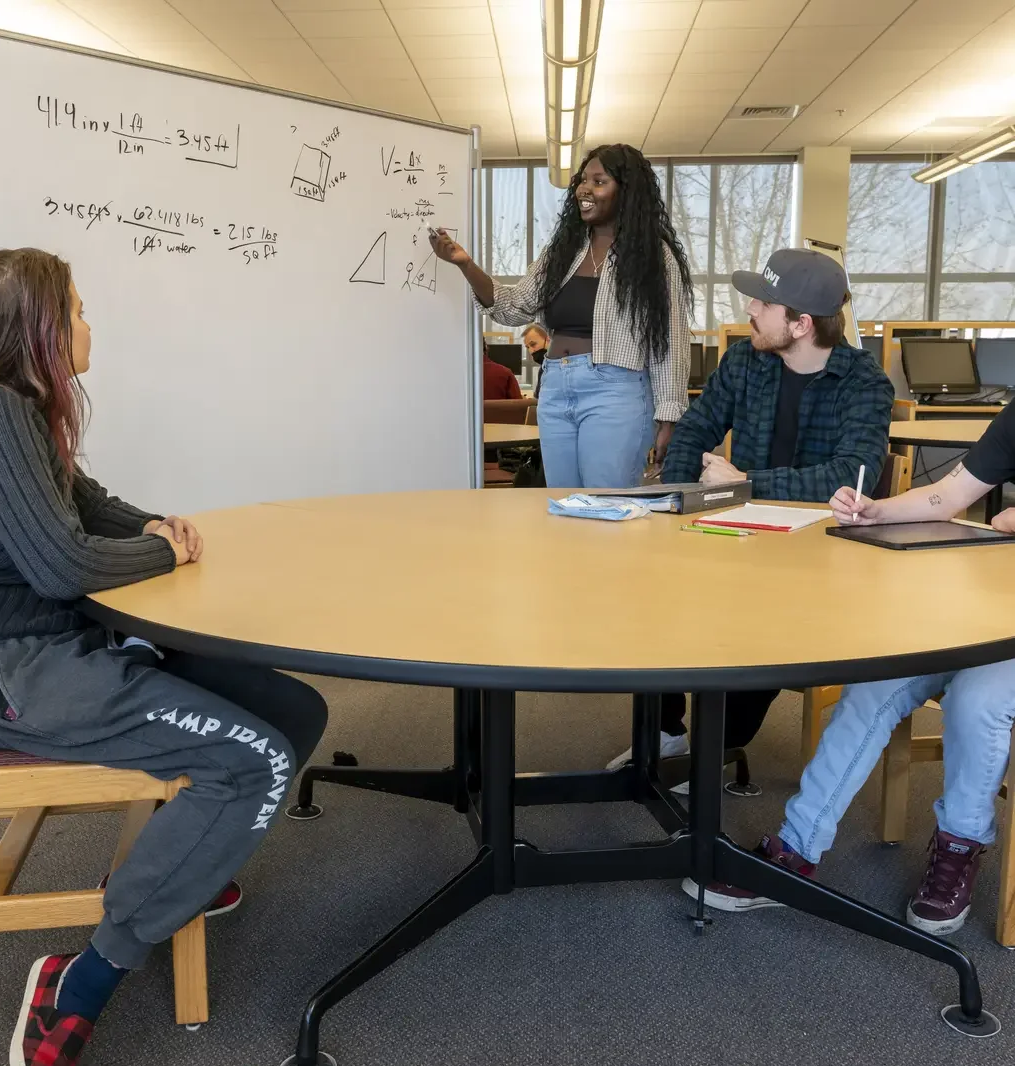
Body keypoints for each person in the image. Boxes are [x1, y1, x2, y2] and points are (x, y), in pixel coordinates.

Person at [0, 249, 328, 1066]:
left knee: (289, 707)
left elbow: (83, 503)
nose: (87, 326)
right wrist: (158, 549)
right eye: (76, 309)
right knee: (258, 758)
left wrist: (152, 524)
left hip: (33, 656)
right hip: (4, 674)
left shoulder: (4, 410)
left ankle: (182, 870)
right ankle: (80, 983)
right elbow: (61, 565)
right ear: (39, 326)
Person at [688, 417, 1015, 932]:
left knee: (978, 702)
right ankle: (797, 849)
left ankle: (959, 847)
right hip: (987, 601)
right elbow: (949, 496)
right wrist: (875, 511)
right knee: (874, 685)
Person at [608, 249, 893, 772]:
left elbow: (852, 477)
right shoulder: (746, 360)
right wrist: (674, 499)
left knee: (753, 629)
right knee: (648, 591)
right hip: (738, 535)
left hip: (814, 561)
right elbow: (696, 428)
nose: (749, 311)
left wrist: (747, 483)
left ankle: (715, 751)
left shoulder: (865, 385)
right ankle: (667, 732)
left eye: (762, 303)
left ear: (801, 323)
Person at [431, 143, 693, 489]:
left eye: (599, 182)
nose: (585, 189)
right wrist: (465, 264)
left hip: (615, 391)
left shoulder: (655, 257)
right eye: (583, 180)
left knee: (606, 508)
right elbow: (515, 305)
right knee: (563, 506)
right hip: (554, 387)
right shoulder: (564, 251)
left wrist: (670, 416)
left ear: (627, 192)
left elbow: (670, 340)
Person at [522, 323, 550, 396]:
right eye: (528, 347)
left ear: (548, 339)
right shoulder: (543, 368)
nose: (531, 351)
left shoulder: (565, 367)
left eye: (533, 344)